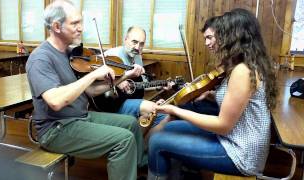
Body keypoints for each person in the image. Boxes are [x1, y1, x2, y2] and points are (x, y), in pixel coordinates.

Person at [148, 8, 278, 179]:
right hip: (233, 138)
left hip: (240, 153)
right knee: (171, 127)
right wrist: (211, 95)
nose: (219, 39)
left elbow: (222, 125)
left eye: (223, 33)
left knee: (157, 142)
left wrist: (175, 110)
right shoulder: (247, 64)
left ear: (235, 36)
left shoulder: (242, 71)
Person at [25, 1, 145, 179]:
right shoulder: (40, 59)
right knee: (123, 140)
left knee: (131, 124)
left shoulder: (69, 54)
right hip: (56, 129)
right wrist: (92, 75)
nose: (81, 28)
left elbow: (88, 92)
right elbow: (56, 102)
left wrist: (125, 76)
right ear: (57, 26)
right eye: (75, 23)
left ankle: (135, 170)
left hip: (79, 117)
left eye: (80, 22)